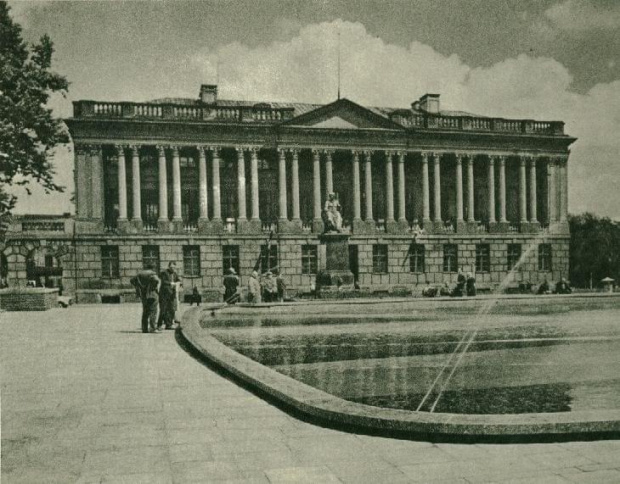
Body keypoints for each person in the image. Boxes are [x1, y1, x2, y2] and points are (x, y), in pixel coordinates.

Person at [130, 264, 161, 334]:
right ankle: (153, 328)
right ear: (153, 268)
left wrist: (138, 286)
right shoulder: (152, 273)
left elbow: (131, 280)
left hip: (144, 295)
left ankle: (144, 329)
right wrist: (154, 286)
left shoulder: (140, 274)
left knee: (145, 312)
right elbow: (156, 280)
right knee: (153, 311)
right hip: (152, 294)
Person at [158, 261, 180, 330]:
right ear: (169, 267)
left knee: (171, 310)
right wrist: (171, 283)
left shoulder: (175, 274)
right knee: (163, 310)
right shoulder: (164, 273)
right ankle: (159, 325)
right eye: (171, 267)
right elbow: (163, 281)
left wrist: (179, 282)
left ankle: (169, 325)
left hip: (172, 295)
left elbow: (178, 280)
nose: (173, 269)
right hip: (164, 295)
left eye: (174, 267)